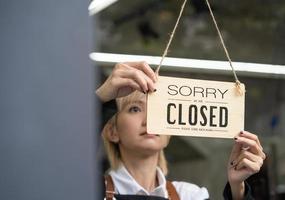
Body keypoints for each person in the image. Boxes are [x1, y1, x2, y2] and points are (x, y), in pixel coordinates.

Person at [96, 61, 266, 200]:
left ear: (169, 132)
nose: (150, 120)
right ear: (112, 131)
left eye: (158, 110)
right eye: (135, 109)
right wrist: (99, 98)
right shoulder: (90, 190)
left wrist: (238, 189)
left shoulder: (191, 195)